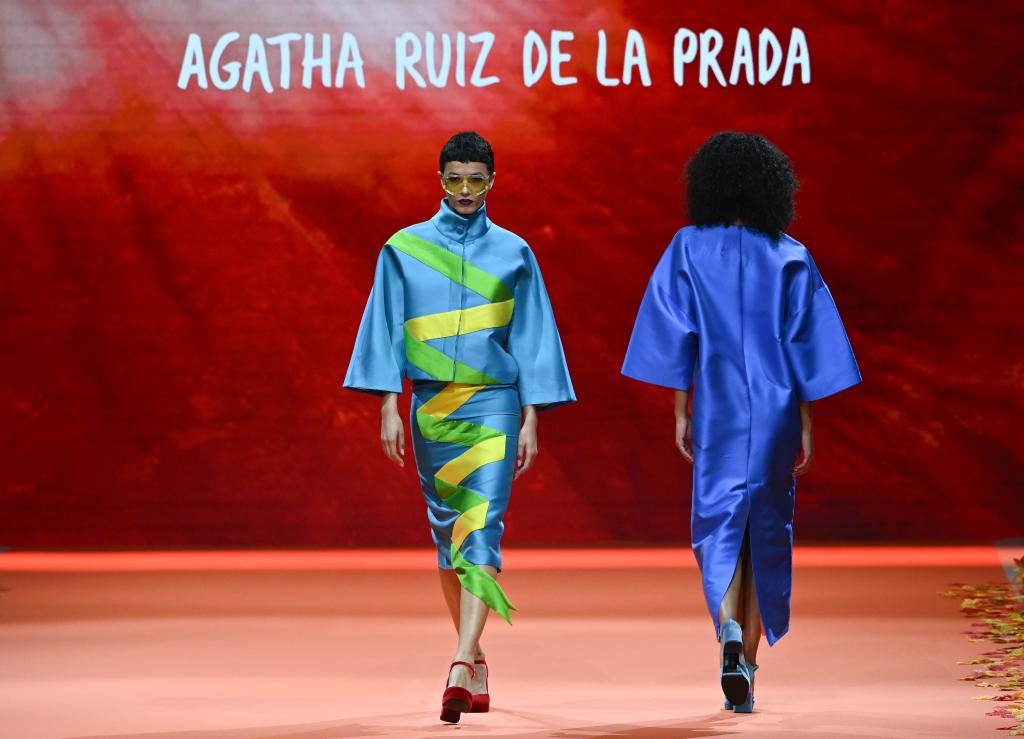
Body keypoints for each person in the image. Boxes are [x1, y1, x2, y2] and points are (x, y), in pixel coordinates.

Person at [621, 132, 861, 713]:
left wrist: (681, 410)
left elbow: (675, 330)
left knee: (719, 522)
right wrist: (806, 423)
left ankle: (728, 629)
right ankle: (748, 664)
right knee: (765, 530)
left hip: (719, 405)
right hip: (776, 407)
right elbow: (806, 345)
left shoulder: (687, 248)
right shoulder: (789, 254)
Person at [343, 131, 575, 724]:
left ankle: (460, 659)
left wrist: (532, 415)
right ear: (440, 180)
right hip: (432, 408)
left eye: (476, 179)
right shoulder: (403, 249)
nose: (465, 189)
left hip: (494, 403)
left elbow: (533, 337)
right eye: (455, 179)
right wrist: (388, 404)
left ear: (492, 180)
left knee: (482, 528)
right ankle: (478, 664)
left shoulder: (515, 253)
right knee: (450, 538)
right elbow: (384, 325)